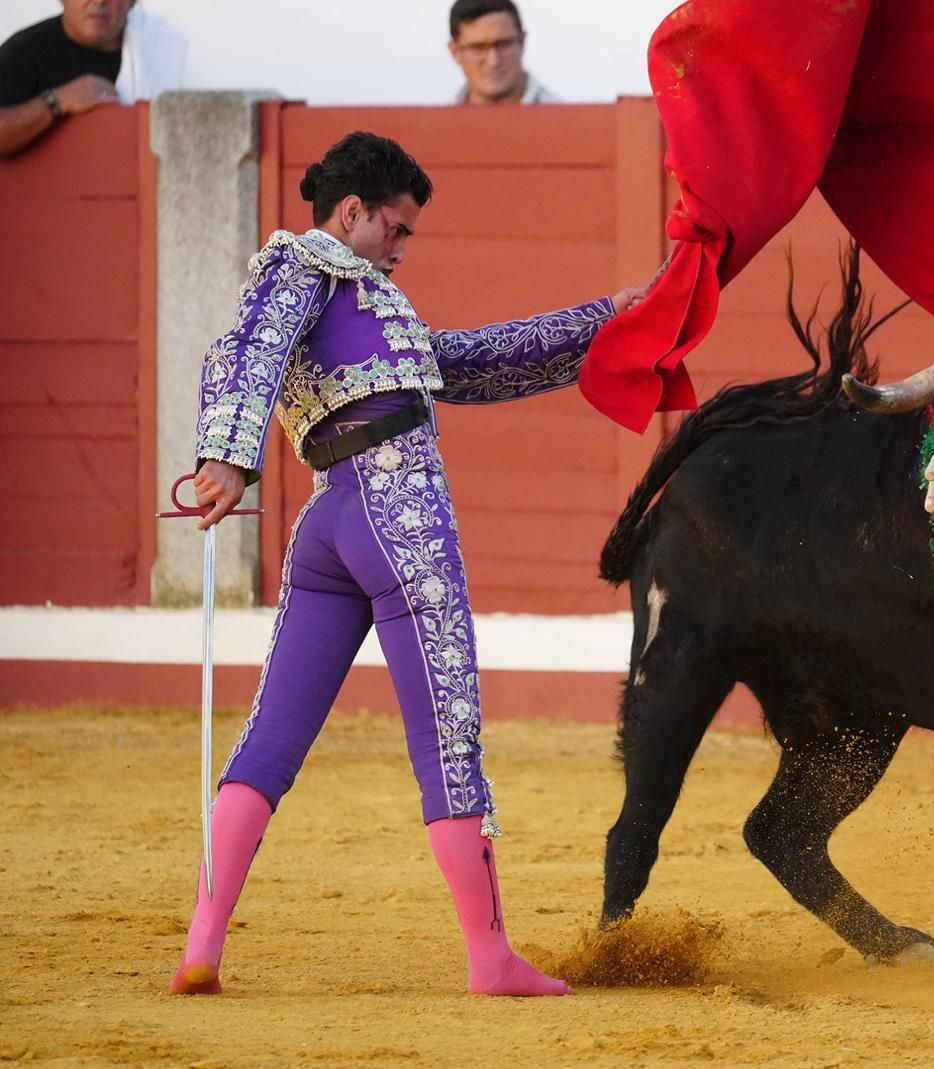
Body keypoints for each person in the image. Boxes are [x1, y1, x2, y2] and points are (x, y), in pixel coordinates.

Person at [168, 131, 646, 998]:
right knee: (447, 734)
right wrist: (226, 459)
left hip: (331, 523)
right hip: (398, 516)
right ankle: (490, 957)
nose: (401, 246)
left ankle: (203, 943)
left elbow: (467, 361)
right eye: (395, 227)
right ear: (352, 212)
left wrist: (601, 320)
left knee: (271, 737)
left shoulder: (364, 301)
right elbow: (245, 350)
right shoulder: (301, 265)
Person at [0, 0, 185, 158]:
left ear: (133, 2)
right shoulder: (25, 53)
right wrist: (57, 102)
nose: (99, 1)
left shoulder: (167, 51)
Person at [448, 0, 556, 105]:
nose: (493, 62)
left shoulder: (561, 115)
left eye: (504, 44)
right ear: (455, 52)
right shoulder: (442, 117)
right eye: (478, 48)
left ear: (522, 42)